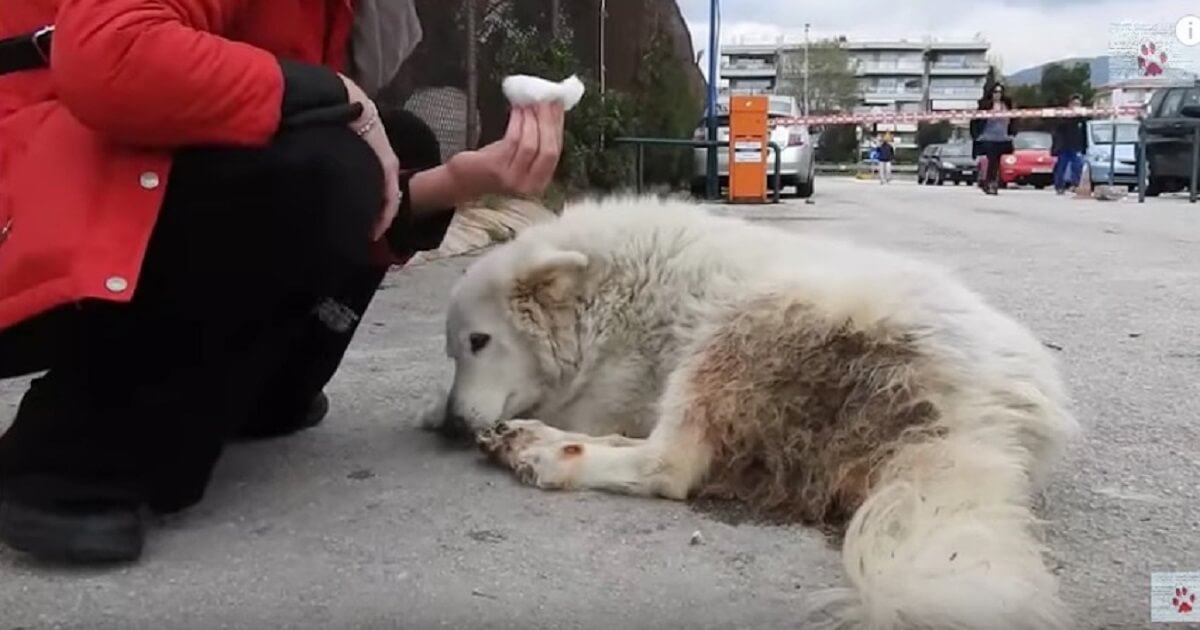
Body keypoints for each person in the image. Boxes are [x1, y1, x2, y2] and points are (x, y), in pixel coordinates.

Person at [0, 0, 565, 564]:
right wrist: (339, 95)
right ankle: (68, 459)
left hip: (95, 184)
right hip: (30, 185)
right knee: (334, 156)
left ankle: (253, 394)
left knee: (393, 143)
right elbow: (111, 53)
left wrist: (464, 181)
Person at [971, 83, 1015, 196]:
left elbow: (1013, 119)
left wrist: (1012, 132)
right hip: (989, 137)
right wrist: (977, 135)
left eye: (1000, 92)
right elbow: (975, 120)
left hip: (1003, 138)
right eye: (995, 92)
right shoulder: (986, 105)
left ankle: (991, 182)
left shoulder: (1006, 104)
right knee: (992, 161)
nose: (998, 94)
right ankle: (990, 183)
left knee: (998, 162)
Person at [1051, 93, 1089, 195]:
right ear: (1070, 105)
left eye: (1078, 104)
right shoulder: (1064, 117)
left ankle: (1075, 184)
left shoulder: (1082, 119)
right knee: (1061, 167)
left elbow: (1084, 133)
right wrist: (1056, 147)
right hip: (1064, 147)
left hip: (1076, 146)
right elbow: (1057, 132)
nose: (1076, 106)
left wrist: (1085, 147)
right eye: (1074, 104)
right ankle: (1059, 186)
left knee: (1077, 166)